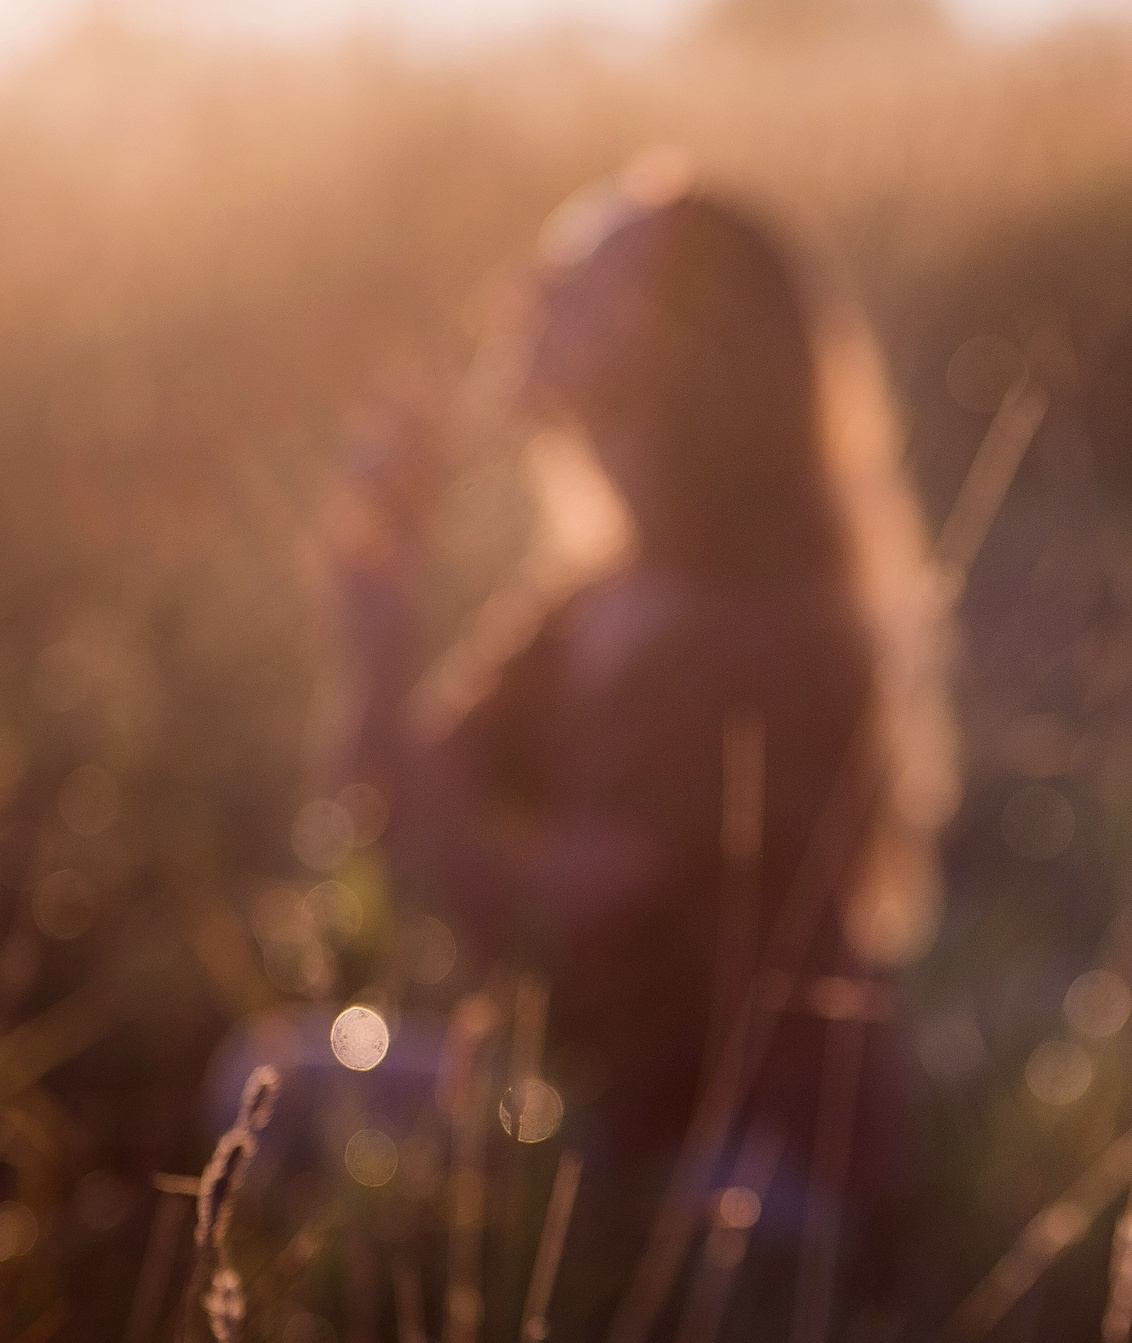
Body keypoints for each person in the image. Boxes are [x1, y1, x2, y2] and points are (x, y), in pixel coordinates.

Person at [324, 160, 958, 1187]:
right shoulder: (597, 600)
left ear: (683, 345)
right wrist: (382, 592)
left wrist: (387, 652)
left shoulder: (752, 642)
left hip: (755, 1174)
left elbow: (525, 923)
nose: (522, 297)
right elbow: (389, 818)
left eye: (577, 278)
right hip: (605, 1123)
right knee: (281, 1085)